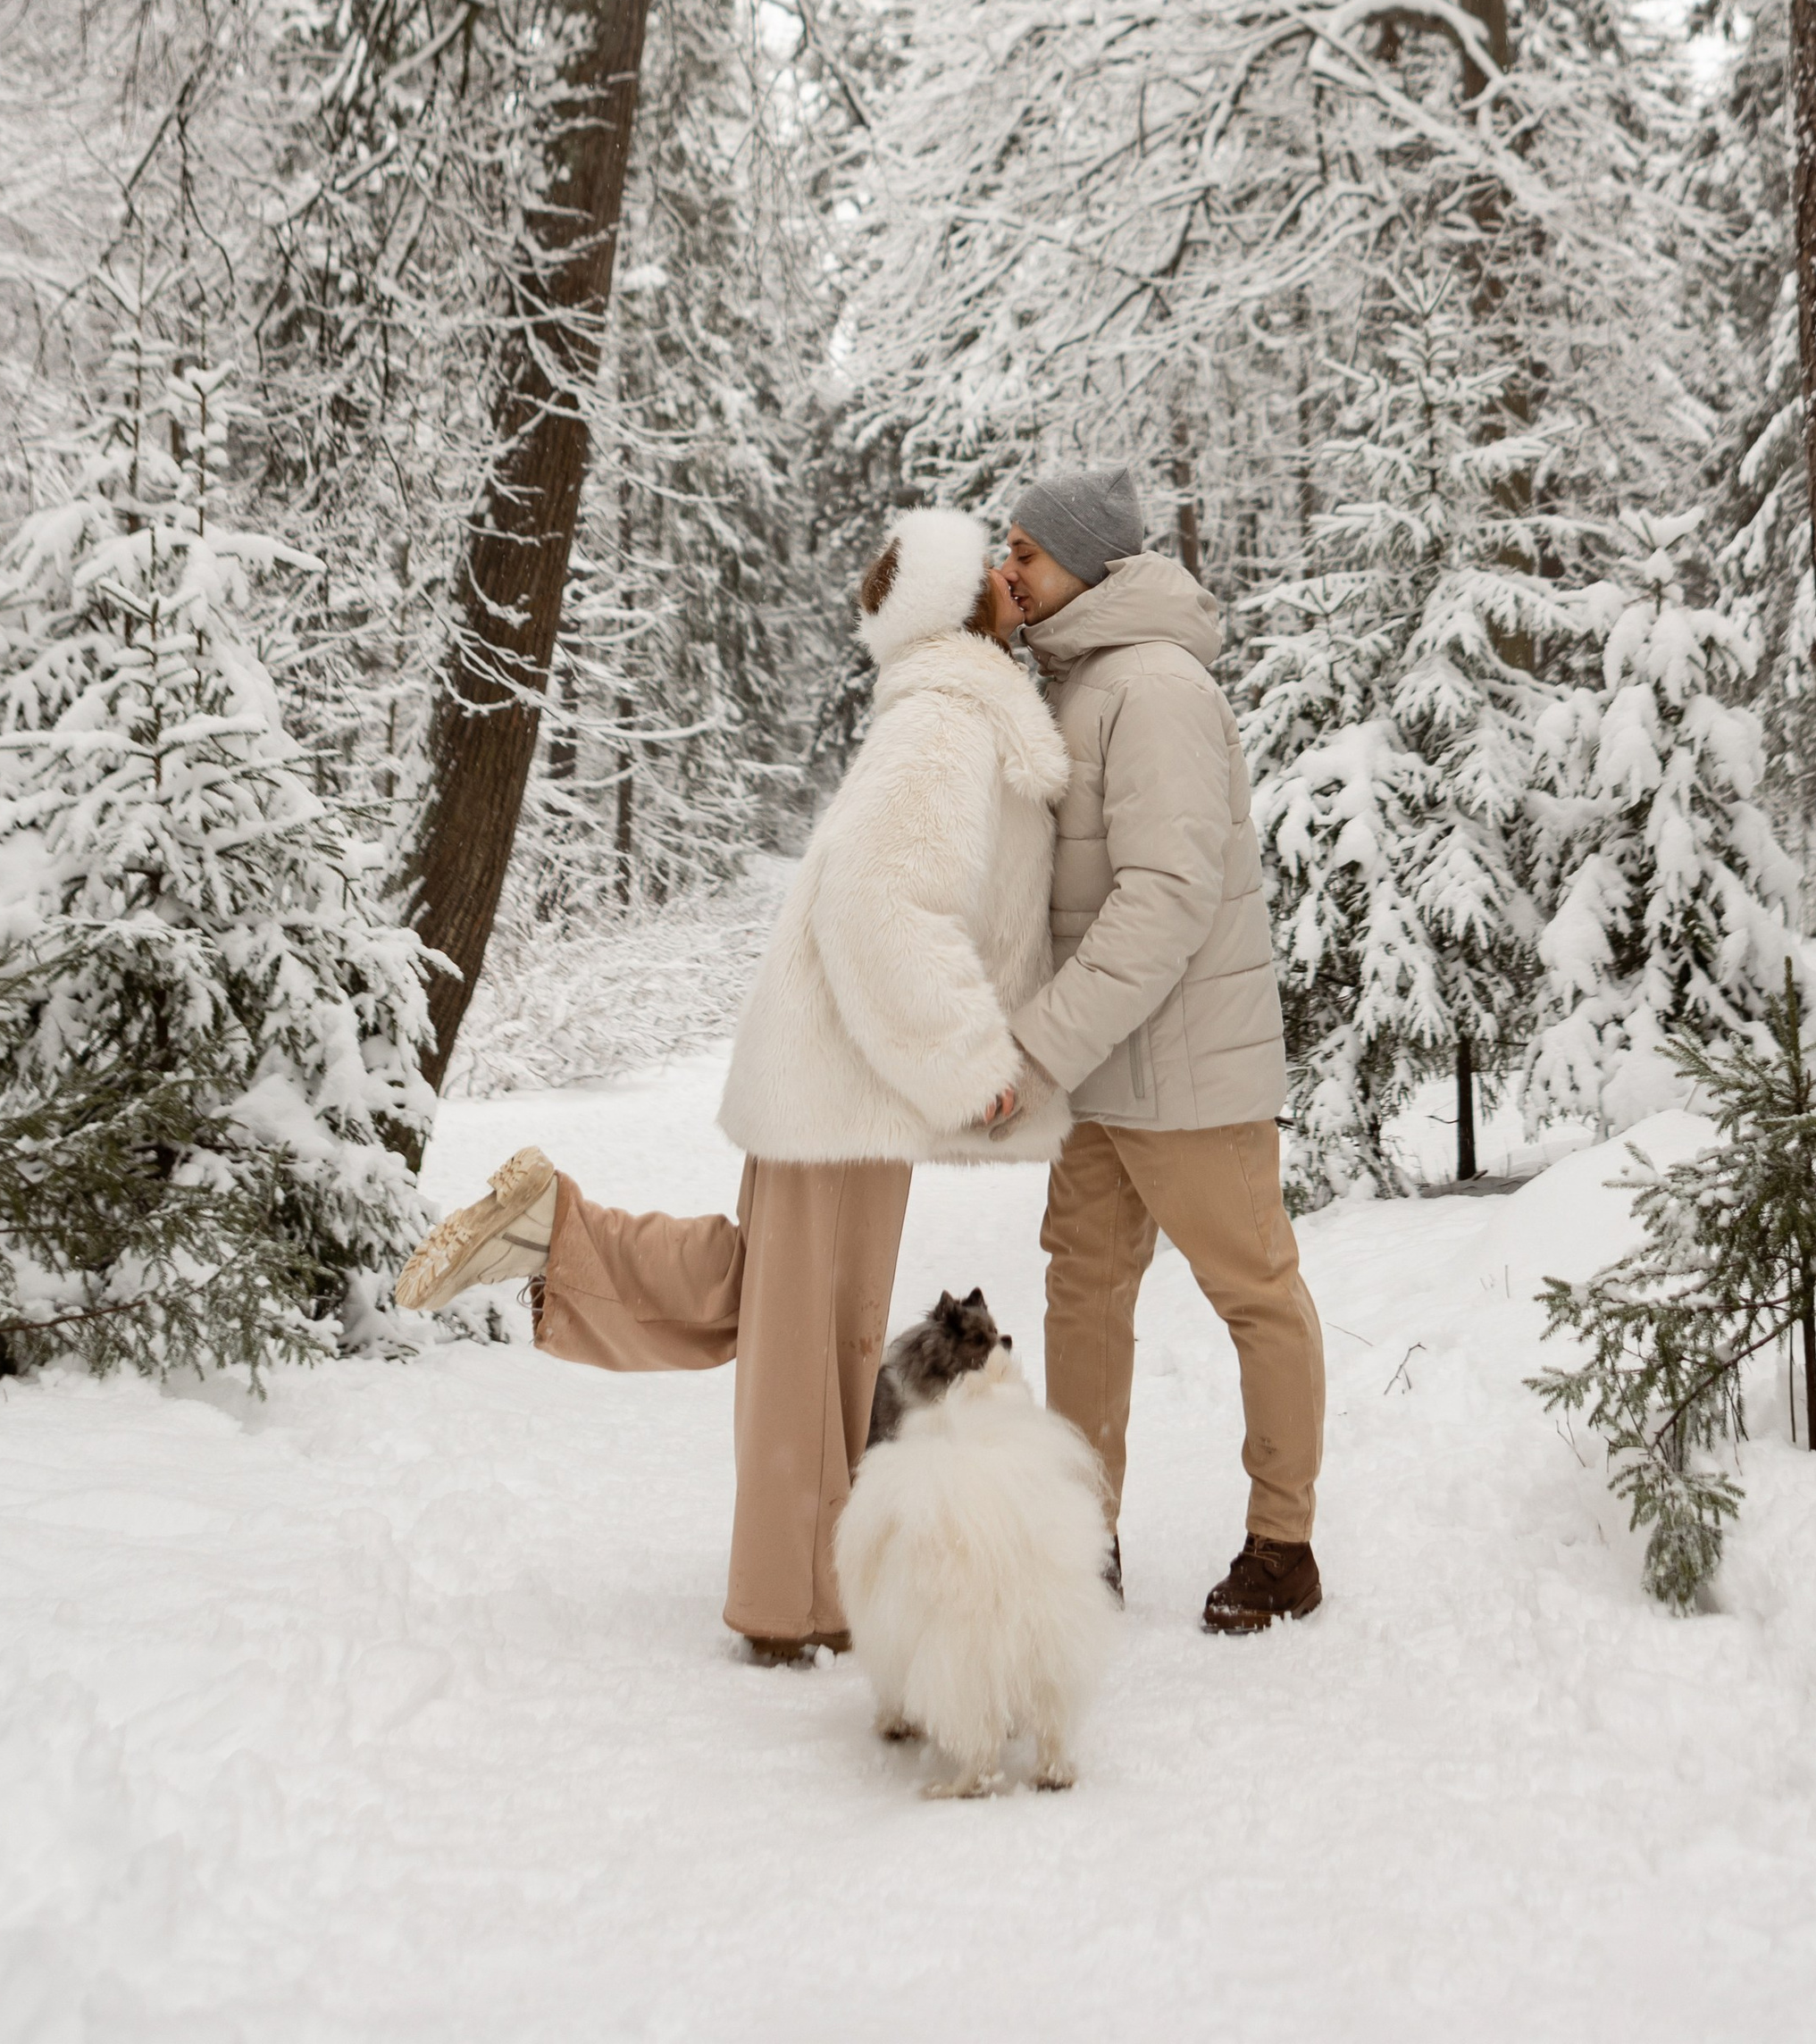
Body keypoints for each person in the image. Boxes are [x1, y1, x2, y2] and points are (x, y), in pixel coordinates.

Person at [393, 509, 1070, 1663]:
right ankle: (794, 1597)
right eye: (993, 567)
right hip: (849, 1077)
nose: (1016, 577)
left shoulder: (943, 709)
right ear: (958, 604)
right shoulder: (950, 720)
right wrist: (966, 1060)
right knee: (818, 1336)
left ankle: (554, 1232)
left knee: (791, 1308)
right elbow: (877, 899)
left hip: (843, 1074)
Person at [987, 467, 1327, 1634]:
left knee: (1255, 1294)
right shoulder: (1075, 684)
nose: (1010, 569)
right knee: (1083, 1292)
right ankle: (1086, 1536)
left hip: (1186, 1073)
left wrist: (1036, 1050)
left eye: (1026, 550)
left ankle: (1284, 1546)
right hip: (1099, 1071)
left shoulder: (1157, 689)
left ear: (1088, 562)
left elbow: (1167, 897)